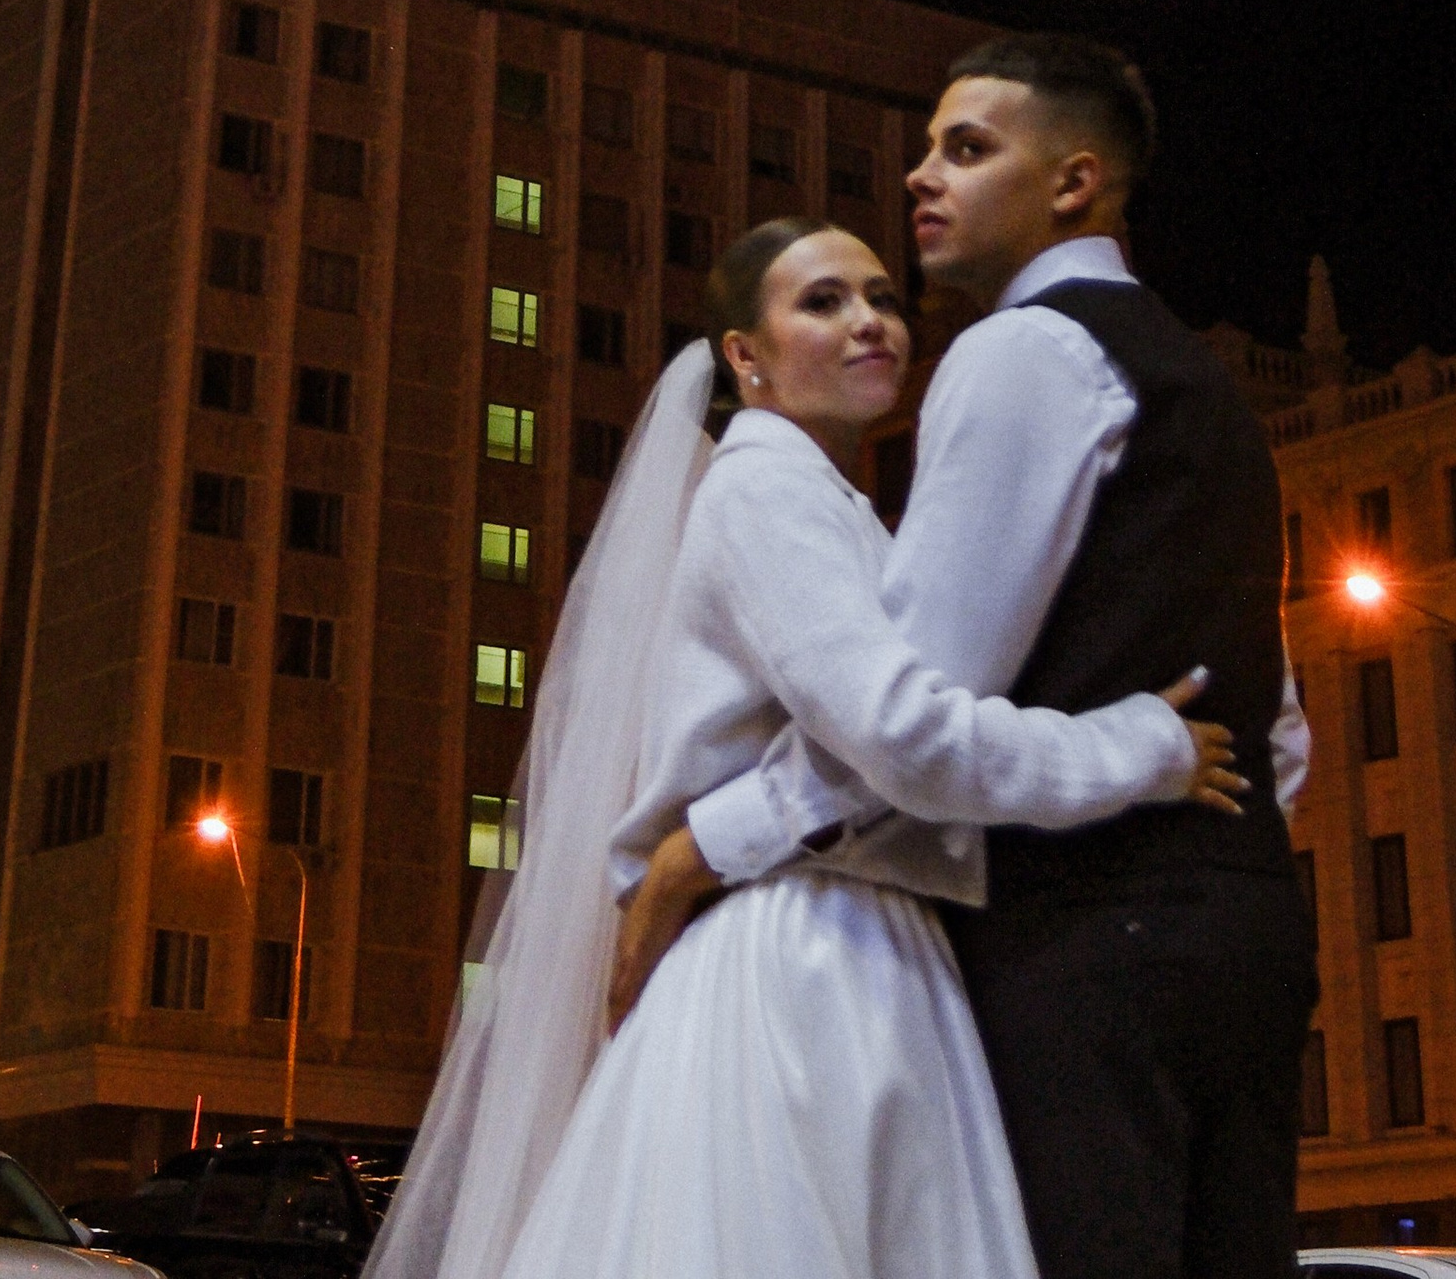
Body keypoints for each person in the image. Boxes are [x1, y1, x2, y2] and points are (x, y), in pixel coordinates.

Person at [365, 213, 1245, 1279]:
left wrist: (692, 853)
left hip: (847, 939)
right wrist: (1136, 749)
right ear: (746, 356)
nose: (870, 323)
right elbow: (899, 739)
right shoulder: (765, 492)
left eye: (880, 297)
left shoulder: (840, 511)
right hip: (801, 956)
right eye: (823, 303)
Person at [615, 38, 1316, 1279]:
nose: (917, 175)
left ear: (1074, 182)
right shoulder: (1203, 385)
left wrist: (698, 848)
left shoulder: (1020, 351)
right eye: (927, 147)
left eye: (966, 148)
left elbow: (904, 724)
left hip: (1085, 937)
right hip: (1250, 938)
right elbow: (1282, 734)